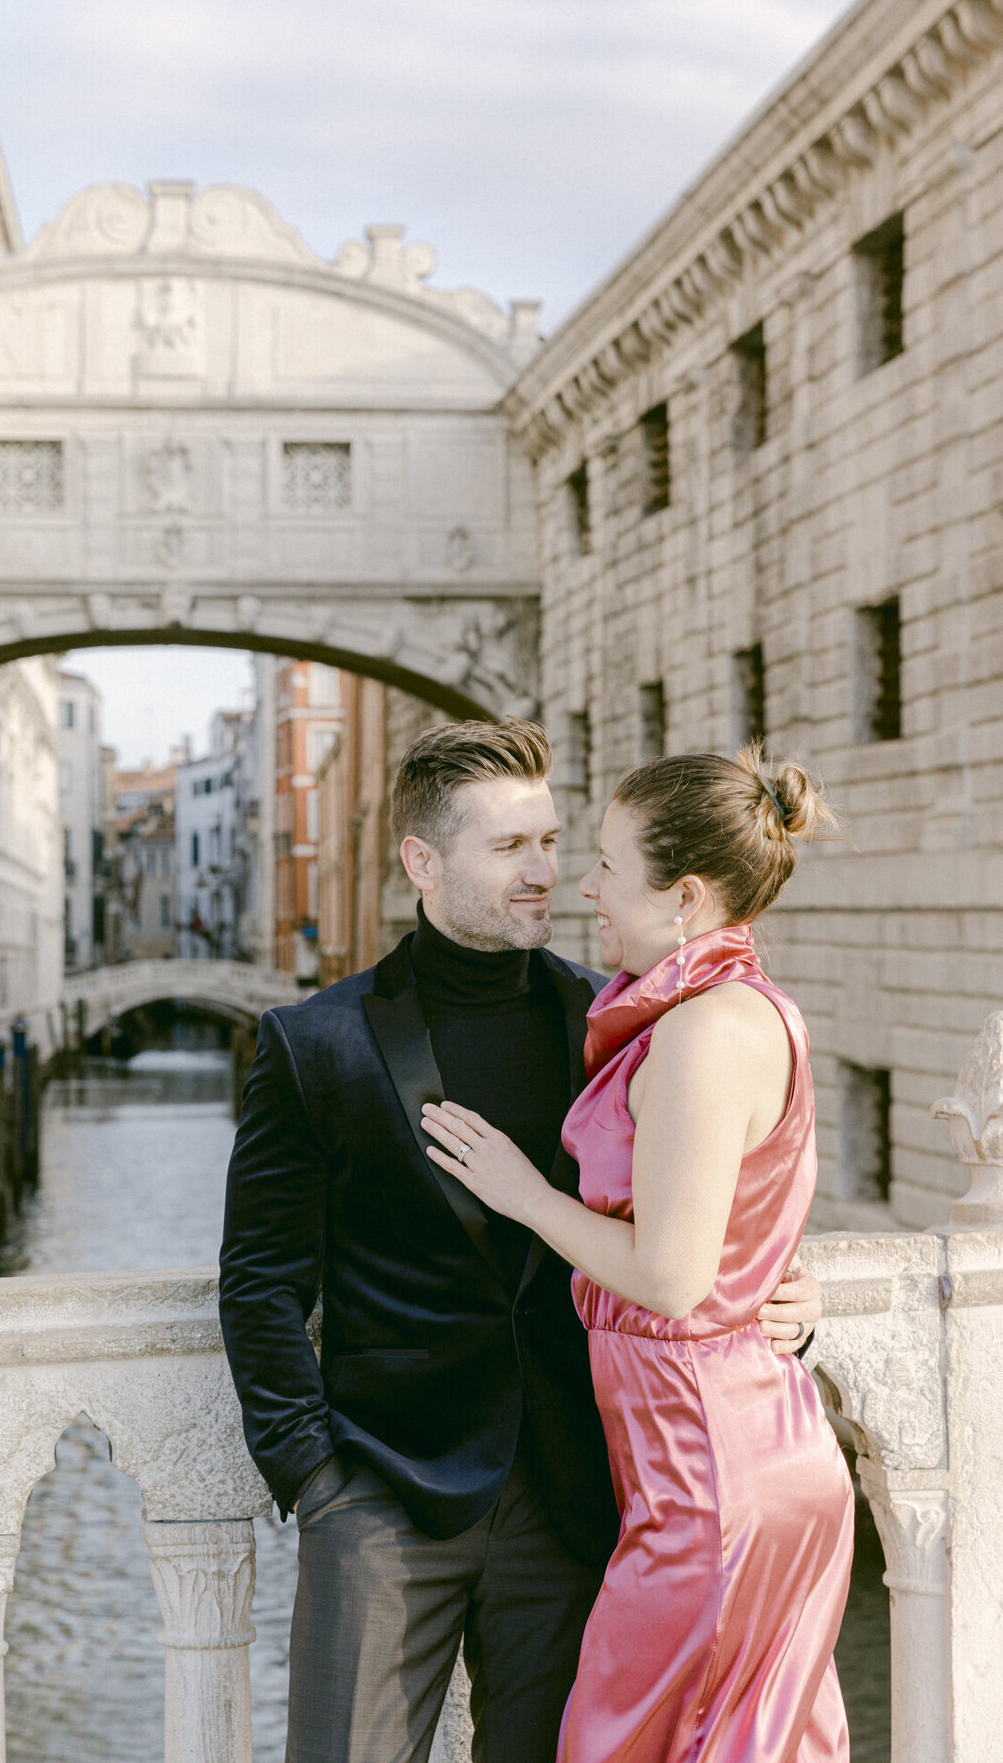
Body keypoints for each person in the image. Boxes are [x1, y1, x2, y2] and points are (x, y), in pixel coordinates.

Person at [219, 721, 822, 1763]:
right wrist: (317, 1477)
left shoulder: (618, 1020)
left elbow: (692, 1225)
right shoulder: (311, 1043)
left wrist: (787, 1301)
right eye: (509, 851)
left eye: (551, 842)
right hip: (383, 1495)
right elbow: (260, 1285)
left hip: (577, 1493)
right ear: (423, 862)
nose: (546, 873)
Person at [421, 747, 854, 1763]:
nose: (585, 886)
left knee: (623, 1741)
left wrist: (524, 1196)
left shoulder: (704, 1032)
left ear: (687, 895)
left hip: (710, 1479)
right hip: (726, 1452)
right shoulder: (739, 1009)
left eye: (609, 865)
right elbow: (739, 1226)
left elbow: (670, 1274)